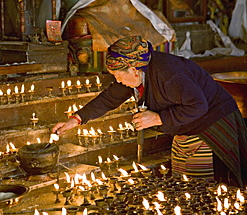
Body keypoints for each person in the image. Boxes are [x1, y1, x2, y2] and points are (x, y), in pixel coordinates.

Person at [52, 35, 247, 187]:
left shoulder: (168, 74)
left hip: (210, 123)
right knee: (182, 178)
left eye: (118, 75)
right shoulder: (136, 73)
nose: (118, 80)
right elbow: (110, 97)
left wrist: (158, 118)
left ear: (134, 70)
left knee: (201, 184)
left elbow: (198, 105)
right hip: (185, 127)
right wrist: (76, 119)